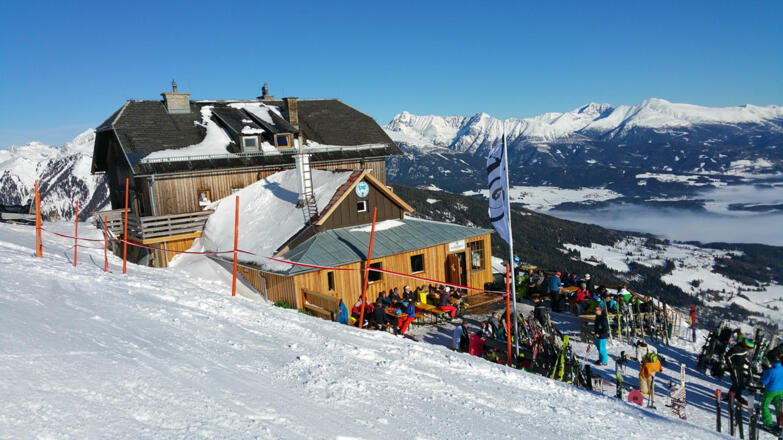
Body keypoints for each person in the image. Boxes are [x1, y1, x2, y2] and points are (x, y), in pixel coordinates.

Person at [725, 337, 754, 405]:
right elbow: (727, 356)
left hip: (740, 368)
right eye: (748, 347)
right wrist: (731, 366)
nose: (748, 349)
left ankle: (738, 396)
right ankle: (729, 397)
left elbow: (743, 357)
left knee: (741, 383)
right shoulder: (736, 349)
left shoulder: (743, 349)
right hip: (734, 367)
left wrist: (747, 363)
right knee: (736, 383)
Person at [761, 352, 783, 428]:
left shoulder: (770, 371)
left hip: (771, 390)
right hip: (781, 390)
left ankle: (768, 423)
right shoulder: (782, 368)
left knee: (764, 406)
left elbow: (764, 381)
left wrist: (765, 372)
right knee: (779, 406)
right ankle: (781, 422)